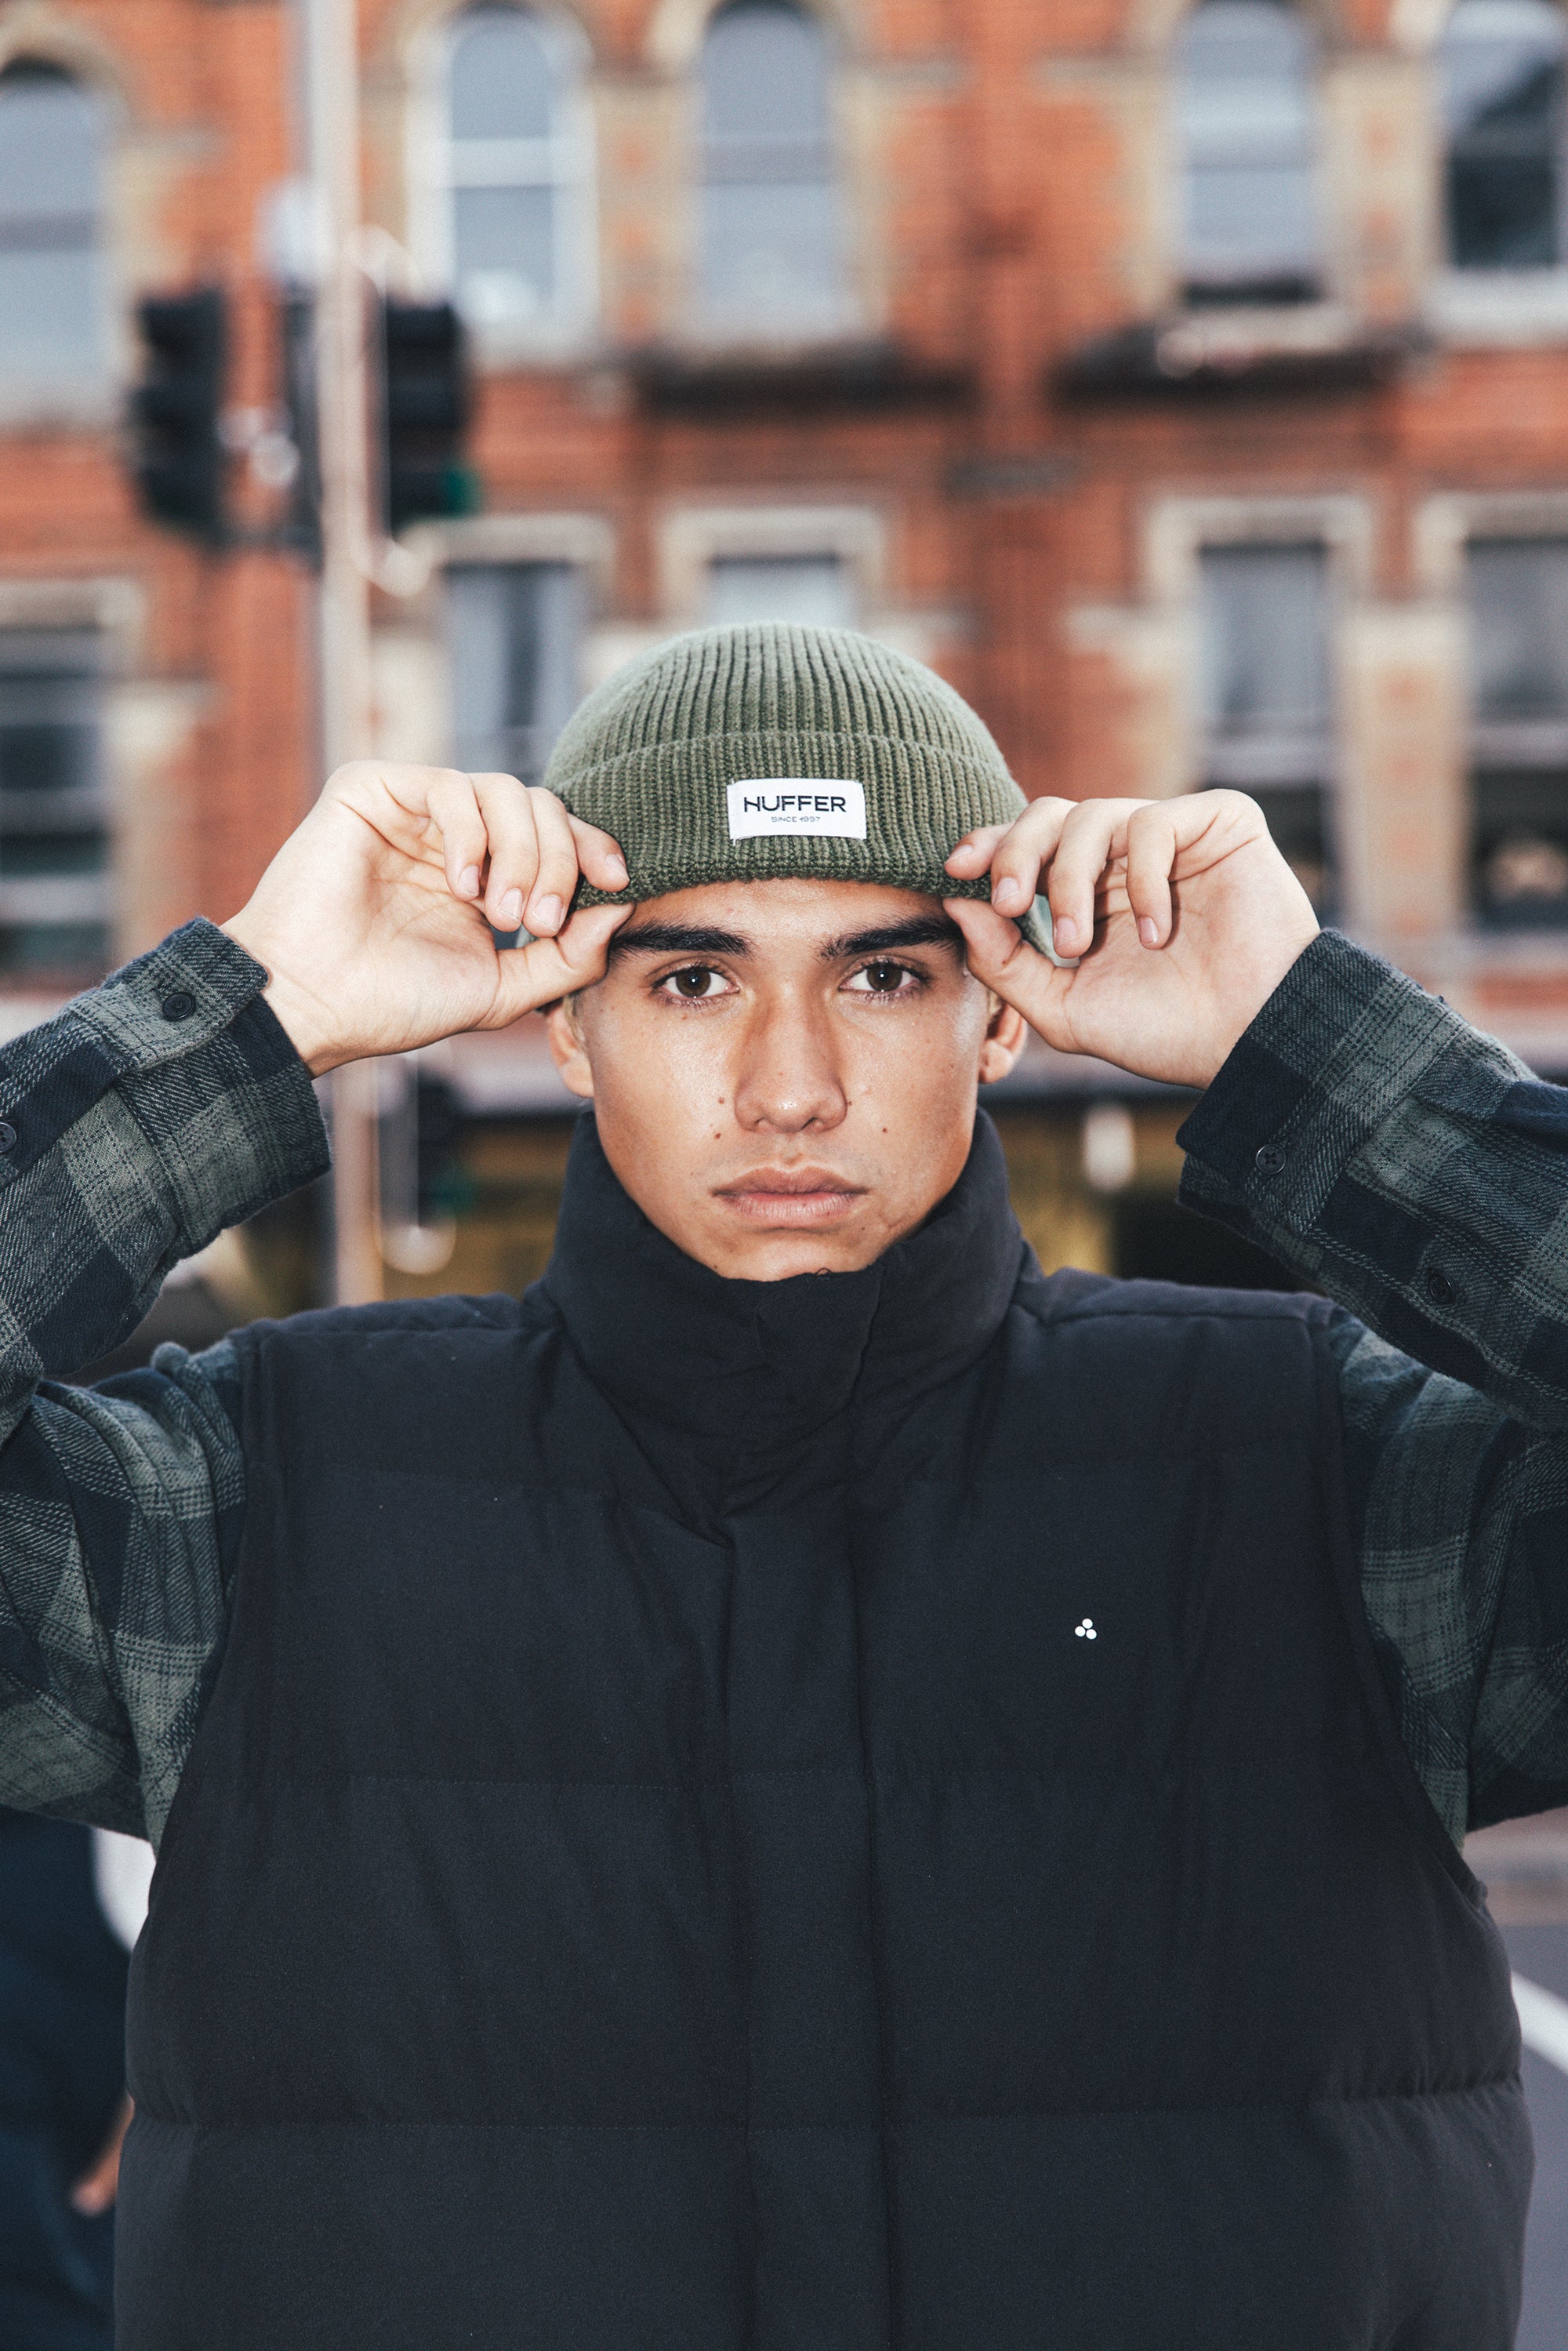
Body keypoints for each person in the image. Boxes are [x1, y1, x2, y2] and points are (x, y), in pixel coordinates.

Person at [0, 621, 1563, 2349]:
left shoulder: (1331, 1477)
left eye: (882, 976)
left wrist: (1322, 1052)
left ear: (997, 1010)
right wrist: (242, 1024)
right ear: (568, 1023)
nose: (792, 1087)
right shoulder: (247, 1508)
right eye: (694, 979)